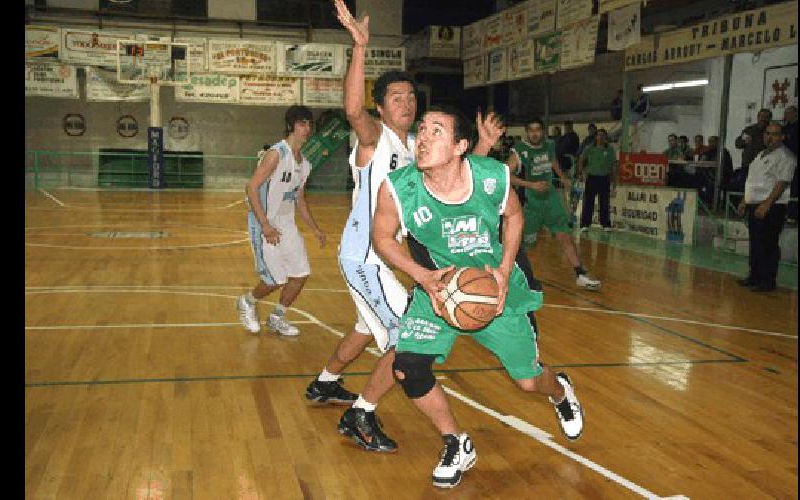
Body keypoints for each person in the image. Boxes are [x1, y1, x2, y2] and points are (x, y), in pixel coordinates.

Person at [305, 0, 505, 454]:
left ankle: (324, 383)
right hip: (366, 258)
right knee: (407, 339)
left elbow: (457, 178)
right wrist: (360, 47)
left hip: (390, 261)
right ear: (381, 107)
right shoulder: (375, 139)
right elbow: (353, 109)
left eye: (411, 97)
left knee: (365, 326)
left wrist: (485, 151)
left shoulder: (419, 145)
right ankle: (362, 414)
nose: (406, 103)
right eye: (396, 98)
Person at [372, 105, 584, 489]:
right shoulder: (397, 187)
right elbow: (382, 238)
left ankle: (560, 390)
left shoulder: (493, 176)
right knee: (407, 368)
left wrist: (504, 268)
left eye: (437, 131)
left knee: (528, 382)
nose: (423, 137)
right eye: (422, 130)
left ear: (460, 146)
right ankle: (456, 442)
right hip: (436, 287)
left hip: (490, 291)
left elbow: (514, 217)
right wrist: (422, 276)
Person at [237, 105, 327, 336]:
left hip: (287, 224)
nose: (306, 129)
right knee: (275, 279)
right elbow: (252, 188)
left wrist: (315, 229)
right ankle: (247, 301)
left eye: (309, 124)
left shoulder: (304, 164)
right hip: (265, 222)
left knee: (300, 274)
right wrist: (265, 225)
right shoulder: (277, 154)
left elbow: (300, 201)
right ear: (291, 126)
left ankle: (277, 317)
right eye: (301, 123)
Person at [508, 117, 602, 290]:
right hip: (531, 201)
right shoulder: (519, 151)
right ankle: (512, 275)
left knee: (564, 235)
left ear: (543, 131)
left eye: (538, 130)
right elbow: (506, 174)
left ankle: (580, 274)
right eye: (531, 130)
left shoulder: (549, 145)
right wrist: (531, 184)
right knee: (526, 244)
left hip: (551, 198)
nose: (535, 133)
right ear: (527, 132)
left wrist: (562, 177)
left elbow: (553, 161)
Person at [736, 123, 796, 292]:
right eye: (767, 134)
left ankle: (767, 280)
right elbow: (752, 181)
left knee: (768, 243)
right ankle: (754, 276)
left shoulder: (785, 156)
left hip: (772, 205)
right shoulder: (760, 154)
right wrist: (744, 201)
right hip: (754, 203)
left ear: (782, 137)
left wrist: (767, 204)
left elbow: (781, 183)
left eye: (775, 134)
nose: (770, 137)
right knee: (755, 242)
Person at [577, 128, 616, 231]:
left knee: (604, 202)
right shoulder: (589, 148)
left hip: (604, 178)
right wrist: (581, 173)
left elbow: (613, 165)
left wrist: (614, 181)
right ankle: (585, 224)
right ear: (596, 137)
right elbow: (581, 159)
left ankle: (606, 225)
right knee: (588, 202)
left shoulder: (610, 149)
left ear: (605, 137)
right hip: (592, 178)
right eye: (599, 135)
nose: (601, 137)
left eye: (603, 135)